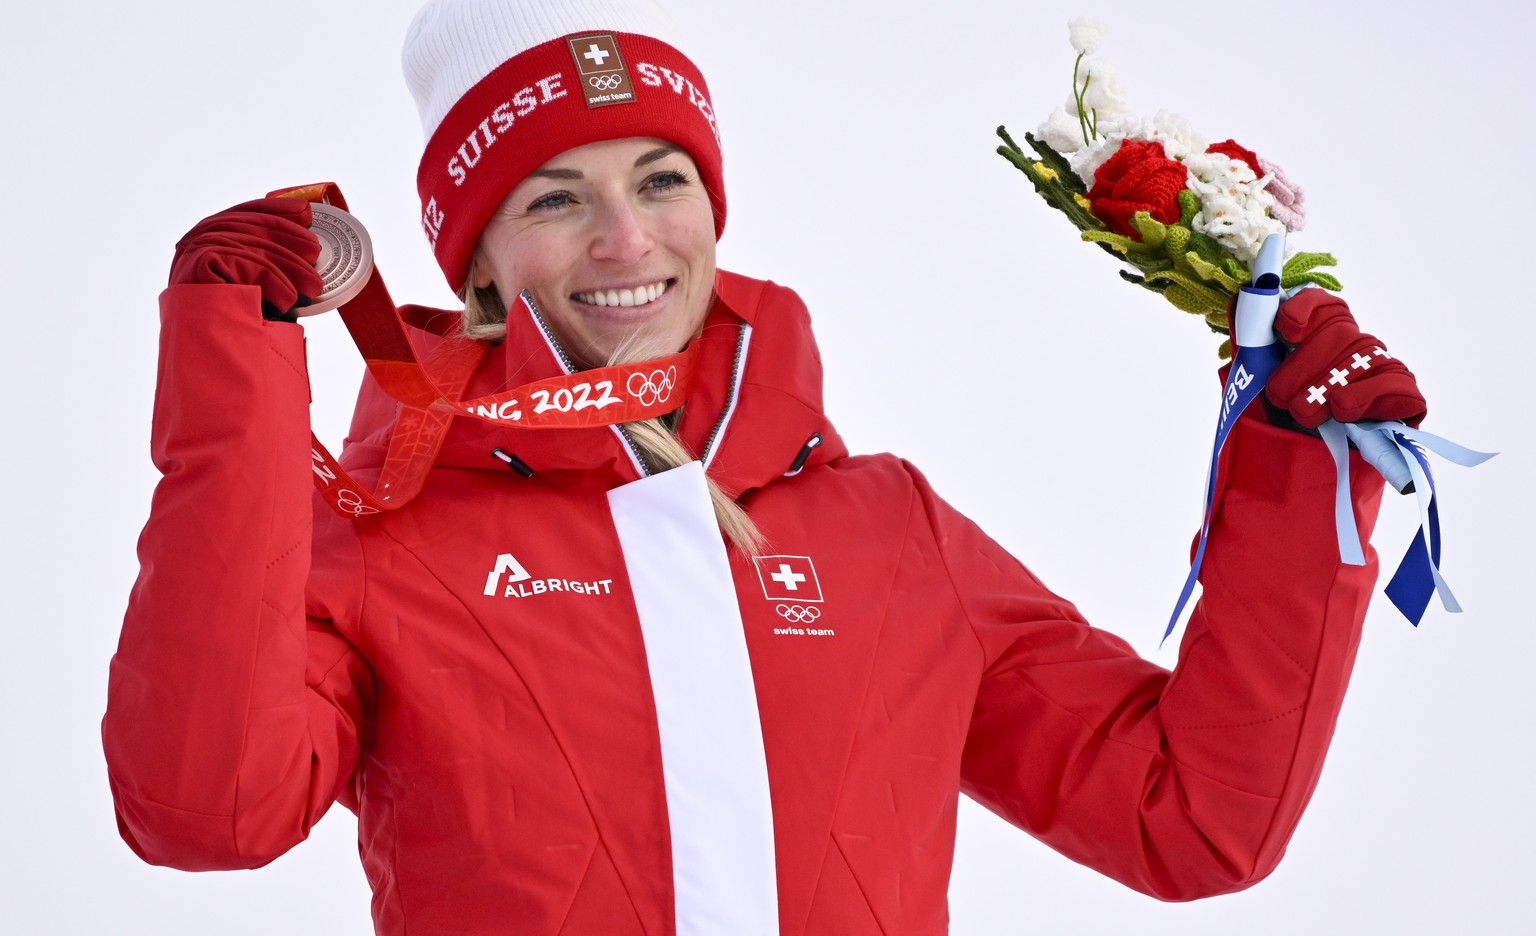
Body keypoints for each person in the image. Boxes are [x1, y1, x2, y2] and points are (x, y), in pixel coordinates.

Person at [101, 1, 1429, 933]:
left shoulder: (886, 529)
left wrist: (1304, 472)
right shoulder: (390, 539)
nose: (627, 240)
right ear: (478, 256)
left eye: (662, 179)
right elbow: (205, 811)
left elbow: (1186, 818)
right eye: (555, 198)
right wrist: (234, 369)